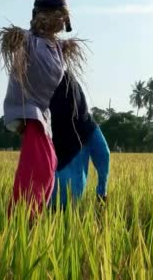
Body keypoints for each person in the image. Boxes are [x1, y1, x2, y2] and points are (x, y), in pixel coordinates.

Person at [0, 0, 86, 219]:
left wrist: (67, 48)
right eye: (52, 15)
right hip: (29, 112)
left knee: (50, 164)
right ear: (39, 15)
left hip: (43, 115)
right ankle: (24, 218)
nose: (56, 20)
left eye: (60, 17)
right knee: (39, 168)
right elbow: (17, 40)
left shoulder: (56, 47)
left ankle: (32, 216)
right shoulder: (29, 40)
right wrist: (13, 38)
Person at [48, 71, 110, 209]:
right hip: (73, 202)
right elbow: (104, 153)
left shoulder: (45, 123)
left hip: (44, 201)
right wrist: (102, 191)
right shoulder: (86, 125)